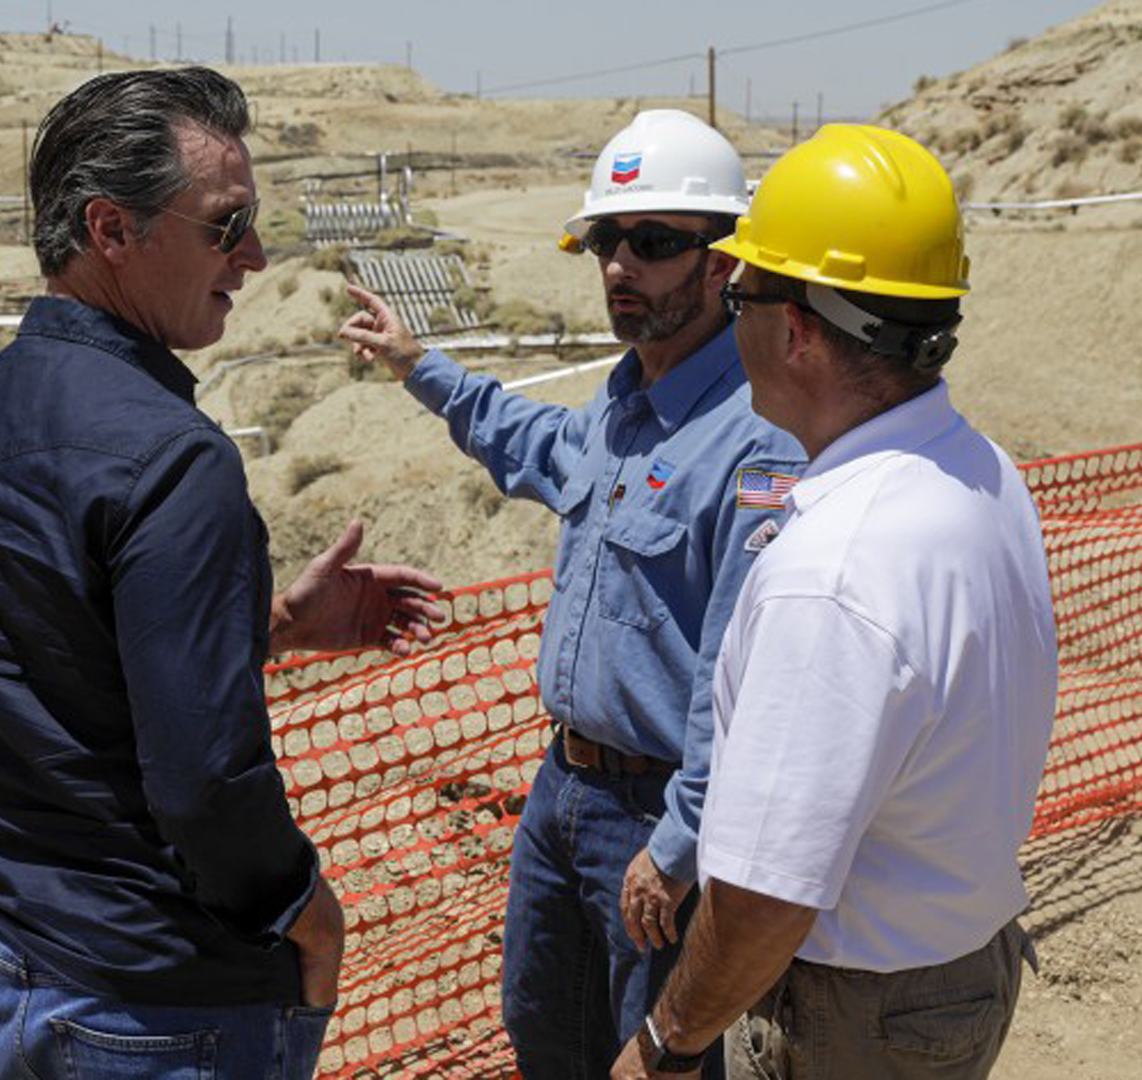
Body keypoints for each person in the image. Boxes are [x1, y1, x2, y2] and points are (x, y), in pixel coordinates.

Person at [0, 67, 444, 1080]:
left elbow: (50, 654)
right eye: (226, 227)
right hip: (163, 1011)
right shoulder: (174, 458)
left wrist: (264, 620)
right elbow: (200, 782)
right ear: (111, 228)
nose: (255, 257)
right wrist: (305, 914)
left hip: (18, 972)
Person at [338, 109, 806, 1078]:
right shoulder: (625, 400)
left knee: (654, 1058)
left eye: (654, 242)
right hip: (562, 792)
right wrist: (417, 367)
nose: (619, 267)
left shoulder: (757, 440)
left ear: (723, 265)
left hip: (654, 816)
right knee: (545, 1031)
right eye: (607, 240)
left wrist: (679, 844)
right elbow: (535, 446)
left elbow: (747, 676)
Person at [610, 125, 1058, 1080]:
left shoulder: (834, 569)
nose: (732, 322)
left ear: (799, 329)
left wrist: (665, 1044)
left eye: (742, 296)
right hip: (959, 970)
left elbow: (769, 895)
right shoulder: (976, 470)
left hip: (855, 1010)